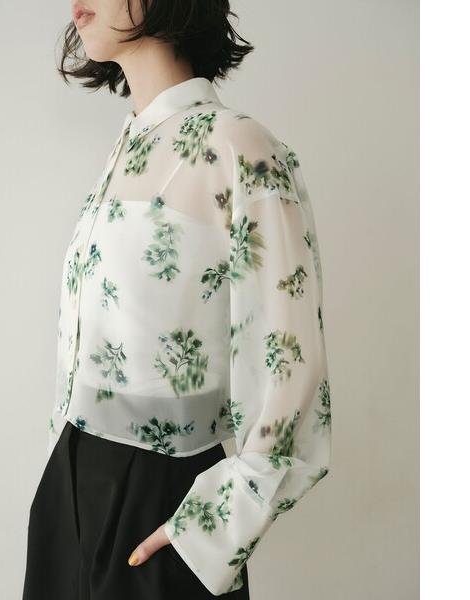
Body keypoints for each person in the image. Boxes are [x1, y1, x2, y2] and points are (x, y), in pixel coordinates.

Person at [22, 1, 332, 599]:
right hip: (67, 492)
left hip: (161, 503)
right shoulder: (127, 148)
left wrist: (210, 529)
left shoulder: (240, 147)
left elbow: (293, 380)